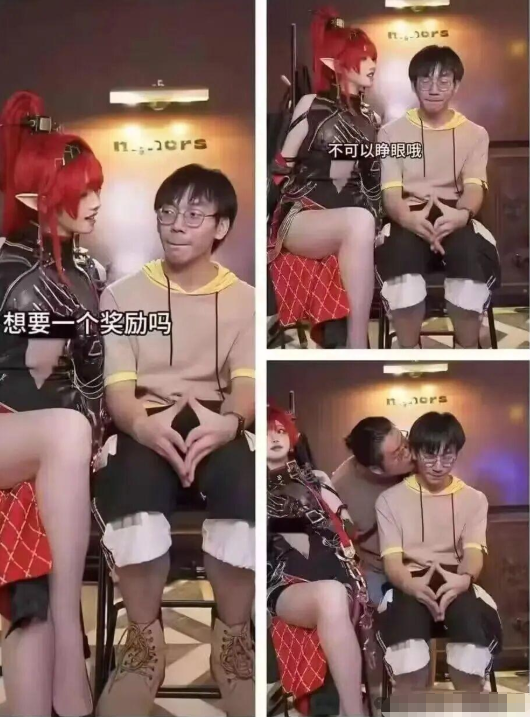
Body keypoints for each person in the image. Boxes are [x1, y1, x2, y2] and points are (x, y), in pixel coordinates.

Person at [92, 164, 255, 717]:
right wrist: (143, 426)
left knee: (245, 488)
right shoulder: (124, 296)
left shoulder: (244, 300)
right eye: (167, 212)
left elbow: (246, 385)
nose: (177, 224)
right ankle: (144, 648)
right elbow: (119, 389)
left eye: (194, 214)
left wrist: (229, 423)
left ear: (221, 227)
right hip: (145, 422)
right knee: (129, 490)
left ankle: (232, 645)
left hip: (217, 422)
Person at [0, 91, 104, 717]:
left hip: (47, 458)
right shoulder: (4, 266)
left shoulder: (89, 272)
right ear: (40, 198)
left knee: (30, 596)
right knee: (66, 430)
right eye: (81, 190)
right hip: (16, 432)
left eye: (96, 189)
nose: (94, 201)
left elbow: (94, 375)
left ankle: (59, 643)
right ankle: (72, 635)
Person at [268, 7, 381, 348]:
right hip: (303, 215)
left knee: (362, 223)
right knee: (360, 222)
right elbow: (280, 168)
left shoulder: (372, 118)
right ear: (336, 64)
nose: (372, 64)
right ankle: (358, 347)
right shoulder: (311, 105)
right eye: (363, 58)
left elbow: (372, 180)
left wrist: (379, 224)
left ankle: (353, 345)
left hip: (351, 219)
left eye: (373, 57)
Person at [375, 45, 501, 348]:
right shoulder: (390, 134)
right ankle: (409, 351)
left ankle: (465, 351)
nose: (434, 89)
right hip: (408, 216)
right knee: (402, 276)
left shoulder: (475, 134)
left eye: (443, 81)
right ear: (413, 84)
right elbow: (390, 193)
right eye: (425, 80)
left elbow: (474, 188)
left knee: (470, 271)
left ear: (456, 85)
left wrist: (461, 215)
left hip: (456, 215)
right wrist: (408, 219)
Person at [375, 412, 502, 693]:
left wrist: (464, 580)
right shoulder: (389, 500)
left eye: (448, 456)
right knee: (408, 659)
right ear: (414, 452)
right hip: (409, 582)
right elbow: (392, 562)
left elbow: (473, 553)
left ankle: (472, 706)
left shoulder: (474, 499)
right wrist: (411, 585)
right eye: (430, 455)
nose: (438, 465)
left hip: (457, 579)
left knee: (471, 653)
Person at [267, 406, 373, 717]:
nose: (275, 438)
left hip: (340, 574)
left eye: (281, 430)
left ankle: (349, 709)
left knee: (335, 592)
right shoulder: (251, 486)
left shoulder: (317, 478)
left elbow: (348, 529)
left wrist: (323, 494)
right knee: (330, 593)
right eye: (267, 432)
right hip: (286, 582)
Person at [332, 417, 413, 605]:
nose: (408, 453)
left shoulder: (418, 459)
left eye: (404, 441)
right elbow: (338, 541)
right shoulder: (342, 488)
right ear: (376, 469)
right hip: (378, 568)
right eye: (398, 454)